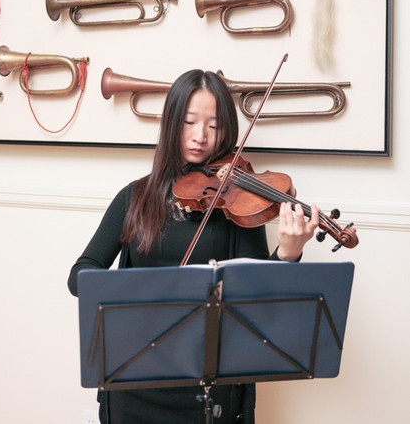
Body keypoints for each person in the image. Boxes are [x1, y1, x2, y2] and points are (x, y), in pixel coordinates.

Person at [68, 69, 319, 424]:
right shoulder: (134, 197)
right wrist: (143, 290)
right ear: (172, 122)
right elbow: (80, 274)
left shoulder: (236, 203)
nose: (200, 136)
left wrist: (288, 253)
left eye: (214, 126)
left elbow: (260, 299)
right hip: (134, 380)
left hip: (209, 387)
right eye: (189, 122)